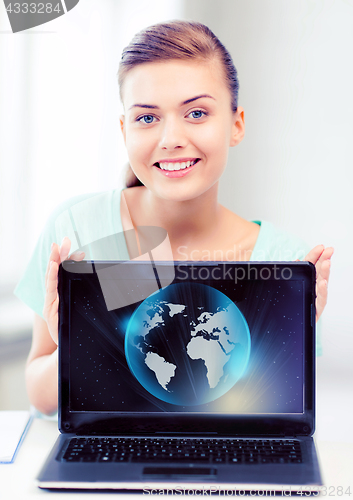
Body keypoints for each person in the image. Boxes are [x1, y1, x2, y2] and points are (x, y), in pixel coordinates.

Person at [15, 21, 333, 416]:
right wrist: (79, 339)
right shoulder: (74, 230)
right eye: (147, 118)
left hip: (228, 465)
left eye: (196, 113)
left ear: (236, 124)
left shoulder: (284, 259)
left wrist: (290, 338)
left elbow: (272, 413)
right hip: (107, 458)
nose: (170, 138)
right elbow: (40, 396)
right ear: (124, 129)